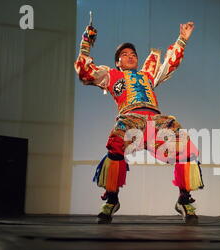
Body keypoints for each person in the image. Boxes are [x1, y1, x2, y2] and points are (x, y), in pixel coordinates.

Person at [74, 21, 204, 223]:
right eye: (124, 54)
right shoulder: (111, 75)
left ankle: (184, 198)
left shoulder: (148, 75)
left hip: (155, 121)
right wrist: (86, 42)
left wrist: (182, 39)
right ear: (118, 62)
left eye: (133, 54)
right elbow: (84, 70)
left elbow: (170, 63)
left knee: (184, 145)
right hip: (130, 119)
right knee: (116, 142)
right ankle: (111, 198)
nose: (130, 56)